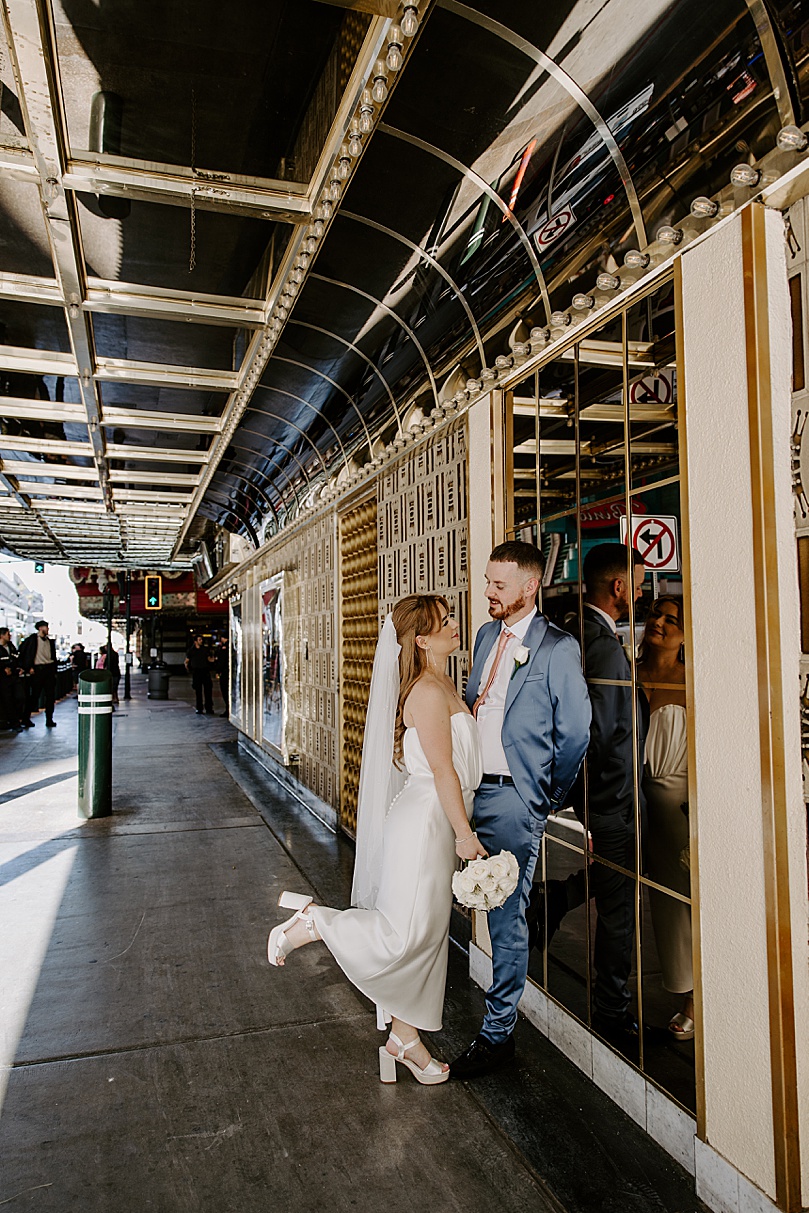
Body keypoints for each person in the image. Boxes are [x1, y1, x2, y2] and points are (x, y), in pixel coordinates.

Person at [266, 595, 485, 1084]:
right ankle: (316, 922)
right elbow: (445, 771)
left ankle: (403, 1038)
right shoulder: (426, 692)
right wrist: (465, 835)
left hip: (439, 817)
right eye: (444, 621)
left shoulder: (445, 682)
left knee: (427, 935)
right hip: (429, 822)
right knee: (404, 933)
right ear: (421, 639)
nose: (455, 626)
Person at [451, 541, 591, 1078]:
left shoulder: (557, 648)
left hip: (515, 798)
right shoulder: (487, 636)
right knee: (476, 910)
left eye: (499, 584)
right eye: (487, 581)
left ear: (530, 587)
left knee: (507, 921)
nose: (487, 592)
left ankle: (497, 1036)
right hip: (471, 794)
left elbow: (575, 733)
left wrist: (544, 799)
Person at [530, 543, 648, 1046]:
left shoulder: (584, 633)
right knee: (621, 909)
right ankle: (613, 1012)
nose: (641, 590)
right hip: (613, 796)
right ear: (618, 587)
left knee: (616, 883)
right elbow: (596, 732)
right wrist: (613, 793)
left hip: (607, 794)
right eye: (639, 581)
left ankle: (558, 897)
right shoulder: (599, 644)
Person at [637, 595, 692, 1040]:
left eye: (672, 619)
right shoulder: (627, 675)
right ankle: (683, 991)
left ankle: (700, 1000)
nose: (659, 622)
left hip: (681, 808)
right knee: (662, 907)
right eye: (656, 612)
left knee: (687, 904)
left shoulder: (692, 680)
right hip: (638, 806)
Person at [19, 620, 57, 728]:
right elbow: (22, 653)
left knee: (50, 696)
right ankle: (26, 718)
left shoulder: (49, 641)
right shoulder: (31, 640)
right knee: (34, 696)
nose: (48, 629)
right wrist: (28, 667)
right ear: (40, 628)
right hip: (37, 670)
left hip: (48, 669)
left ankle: (49, 719)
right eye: (46, 627)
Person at [184, 635, 215, 715]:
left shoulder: (205, 649)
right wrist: (187, 667)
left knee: (208, 690)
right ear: (195, 641)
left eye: (201, 639)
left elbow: (209, 659)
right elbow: (187, 660)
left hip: (205, 671)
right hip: (196, 672)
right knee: (198, 691)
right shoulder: (191, 650)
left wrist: (214, 661)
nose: (201, 641)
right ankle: (199, 708)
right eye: (199, 639)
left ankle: (209, 708)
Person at [0, 628, 23, 730]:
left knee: (20, 697)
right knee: (7, 701)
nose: (10, 636)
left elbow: (16, 659)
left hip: (14, 677)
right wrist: (3, 669)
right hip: (3, 679)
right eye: (8, 634)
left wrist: (18, 668)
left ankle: (15, 720)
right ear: (2, 635)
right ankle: (13, 723)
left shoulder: (11, 647)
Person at [215, 636, 229, 716]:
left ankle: (228, 709)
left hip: (224, 672)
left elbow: (221, 661)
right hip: (230, 671)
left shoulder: (224, 648)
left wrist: (218, 671)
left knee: (225, 691)